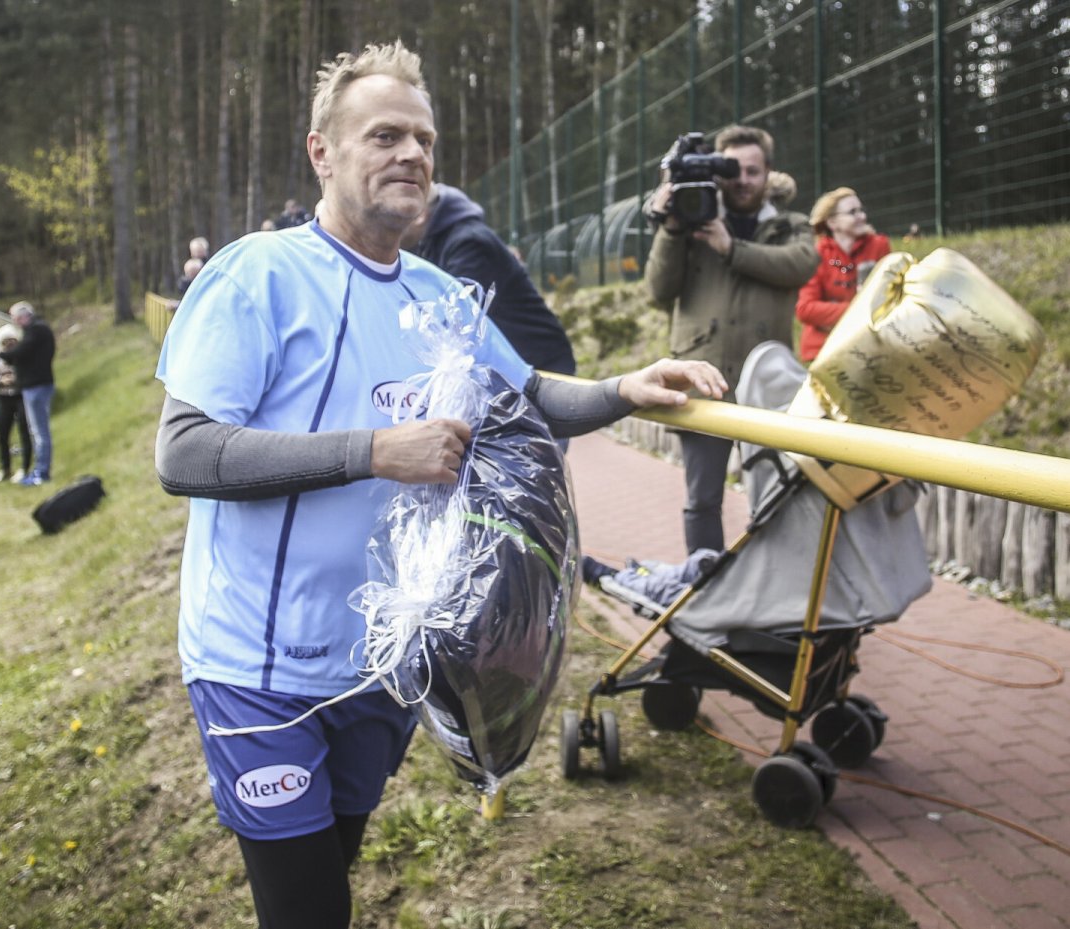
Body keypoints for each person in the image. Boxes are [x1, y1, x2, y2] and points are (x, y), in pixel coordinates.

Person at [154, 41, 726, 929]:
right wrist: (373, 450)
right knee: (305, 911)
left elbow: (527, 394)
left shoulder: (440, 296)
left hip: (386, 665)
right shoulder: (256, 275)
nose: (412, 155)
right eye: (384, 135)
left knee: (334, 871)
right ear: (322, 152)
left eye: (423, 140)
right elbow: (184, 454)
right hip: (256, 671)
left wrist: (624, 391)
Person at [644, 124, 818, 554]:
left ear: (768, 173)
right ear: (718, 172)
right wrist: (670, 228)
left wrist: (730, 248)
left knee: (776, 496)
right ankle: (705, 588)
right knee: (702, 500)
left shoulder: (789, 225)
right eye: (733, 170)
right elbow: (657, 292)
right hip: (702, 382)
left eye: (753, 171)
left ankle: (770, 592)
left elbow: (801, 265)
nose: (742, 180)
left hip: (768, 386)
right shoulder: (688, 220)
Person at [402, 181, 577, 379]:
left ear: (420, 215)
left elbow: (456, 321)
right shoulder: (435, 242)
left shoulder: (468, 244)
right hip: (512, 364)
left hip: (537, 364)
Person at [796, 187, 892, 362]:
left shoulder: (879, 246)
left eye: (861, 210)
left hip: (868, 347)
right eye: (852, 212)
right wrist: (856, 311)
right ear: (832, 223)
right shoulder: (817, 254)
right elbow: (805, 309)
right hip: (822, 351)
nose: (862, 217)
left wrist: (830, 313)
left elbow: (888, 299)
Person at [0, 301, 56, 486]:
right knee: (37, 430)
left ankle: (41, 472)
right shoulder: (36, 330)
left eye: (15, 319)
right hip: (35, 384)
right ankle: (39, 469)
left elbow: (21, 352)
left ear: (23, 317)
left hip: (37, 385)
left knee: (39, 431)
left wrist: (3, 354)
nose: (15, 323)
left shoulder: (37, 330)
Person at [0, 323, 32, 485]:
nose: (9, 344)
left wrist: (16, 379)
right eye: (5, 342)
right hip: (4, 398)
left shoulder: (22, 355)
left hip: (21, 396)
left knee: (25, 430)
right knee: (2, 432)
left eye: (12, 340)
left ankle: (25, 467)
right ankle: (5, 468)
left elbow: (31, 373)